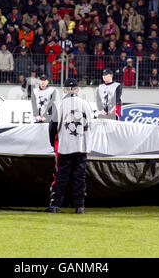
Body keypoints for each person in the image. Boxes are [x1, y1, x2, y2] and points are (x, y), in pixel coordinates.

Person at [48, 78, 92, 214]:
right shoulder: (86, 104)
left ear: (64, 90)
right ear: (78, 90)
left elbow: (52, 127)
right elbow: (90, 125)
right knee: (79, 178)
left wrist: (53, 143)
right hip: (81, 147)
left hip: (65, 147)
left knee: (61, 177)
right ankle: (80, 206)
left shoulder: (59, 105)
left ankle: (55, 205)